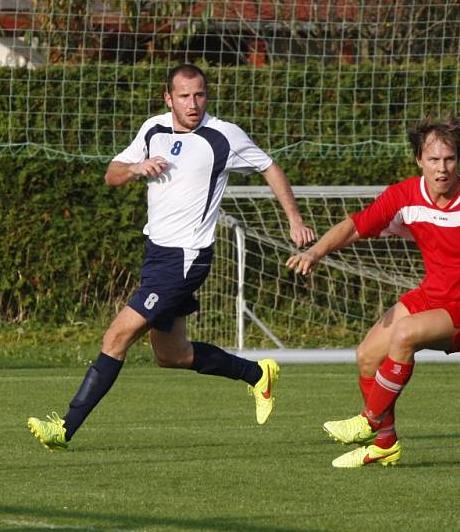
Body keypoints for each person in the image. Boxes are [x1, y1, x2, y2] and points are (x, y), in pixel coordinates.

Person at [28, 63, 315, 451]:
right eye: (184, 96)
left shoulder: (223, 136)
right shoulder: (153, 129)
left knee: (115, 337)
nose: (193, 103)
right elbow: (111, 174)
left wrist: (294, 220)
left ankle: (63, 427)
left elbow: (270, 167)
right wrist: (135, 168)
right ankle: (256, 374)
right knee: (172, 354)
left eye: (199, 95)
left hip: (187, 257)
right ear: (169, 98)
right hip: (156, 254)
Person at [286, 115, 460, 468]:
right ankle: (386, 444)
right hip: (435, 295)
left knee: (404, 334)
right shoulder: (405, 196)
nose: (442, 169)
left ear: (459, 160)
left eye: (449, 159)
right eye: (433, 160)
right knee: (367, 356)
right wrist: (315, 252)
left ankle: (369, 421)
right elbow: (356, 225)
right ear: (419, 160)